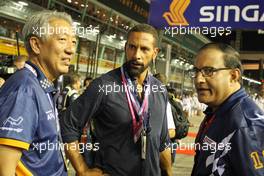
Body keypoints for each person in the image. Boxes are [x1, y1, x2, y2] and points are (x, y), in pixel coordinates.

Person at [60, 24, 172, 176]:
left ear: (155, 53)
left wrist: (168, 172)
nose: (136, 55)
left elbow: (163, 142)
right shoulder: (103, 86)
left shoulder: (160, 90)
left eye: (144, 49)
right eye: (132, 47)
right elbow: (68, 124)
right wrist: (82, 169)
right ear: (126, 48)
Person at [0, 11, 76, 175]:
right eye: (62, 40)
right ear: (36, 45)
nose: (71, 50)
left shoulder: (40, 85)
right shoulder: (25, 88)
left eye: (74, 42)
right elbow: (5, 167)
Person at [190, 43, 264, 176]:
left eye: (208, 71)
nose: (198, 79)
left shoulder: (245, 126)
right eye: (196, 71)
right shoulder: (217, 110)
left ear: (233, 76)